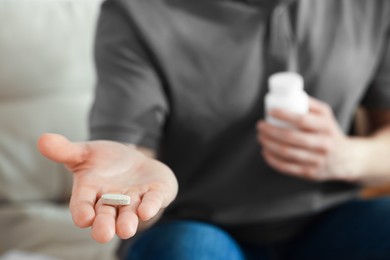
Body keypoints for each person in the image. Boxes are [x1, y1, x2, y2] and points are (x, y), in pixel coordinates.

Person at [38, 0, 390, 259]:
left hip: (331, 223)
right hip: (196, 226)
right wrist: (131, 191)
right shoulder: (138, 11)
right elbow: (131, 152)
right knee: (185, 250)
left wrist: (349, 157)